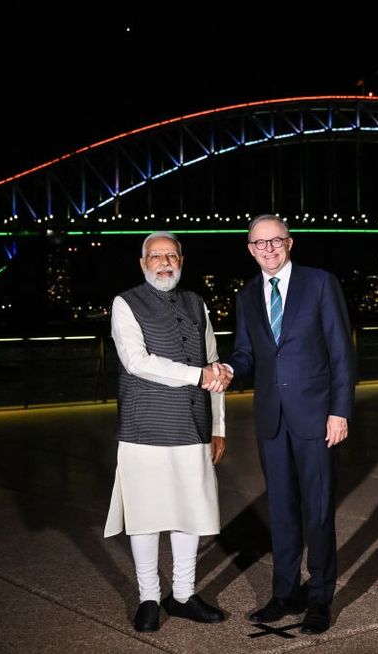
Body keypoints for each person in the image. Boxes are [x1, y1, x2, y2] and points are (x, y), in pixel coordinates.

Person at [224, 214, 356, 634]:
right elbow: (246, 355)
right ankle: (285, 594)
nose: (269, 249)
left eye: (275, 241)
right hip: (272, 420)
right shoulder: (246, 295)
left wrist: (341, 411)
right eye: (259, 243)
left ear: (289, 242)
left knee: (317, 511)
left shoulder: (319, 283)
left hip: (317, 418)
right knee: (281, 512)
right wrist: (227, 368)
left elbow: (341, 351)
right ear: (250, 249)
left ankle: (319, 597)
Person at [103, 231, 233, 632]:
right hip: (144, 426)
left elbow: (213, 363)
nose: (164, 262)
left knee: (187, 511)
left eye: (171, 255)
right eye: (155, 256)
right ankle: (147, 597)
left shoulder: (197, 304)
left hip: (193, 426)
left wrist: (218, 426)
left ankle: (181, 595)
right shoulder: (125, 303)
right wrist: (198, 375)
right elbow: (137, 361)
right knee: (145, 516)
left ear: (181, 261)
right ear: (143, 264)